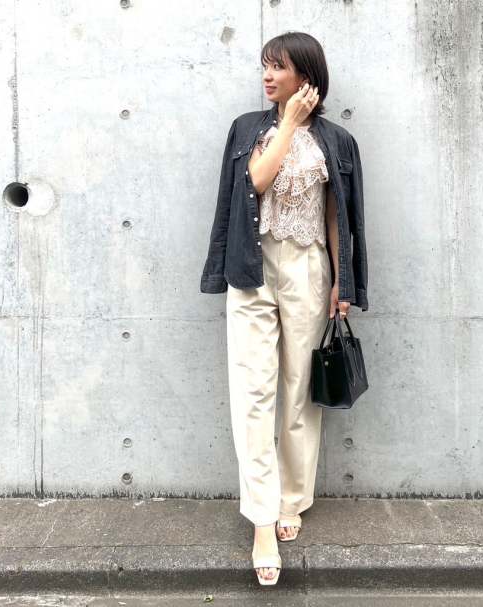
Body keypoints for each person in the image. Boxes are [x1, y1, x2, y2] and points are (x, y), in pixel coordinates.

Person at [200, 31, 368, 586]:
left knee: (299, 389)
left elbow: (339, 217)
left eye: (278, 67)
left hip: (308, 269)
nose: (267, 76)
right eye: (264, 66)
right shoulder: (250, 128)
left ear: (306, 75)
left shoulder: (338, 141)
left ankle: (293, 497)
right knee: (252, 392)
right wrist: (289, 123)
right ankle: (261, 518)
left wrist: (343, 283)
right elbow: (255, 181)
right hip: (252, 269)